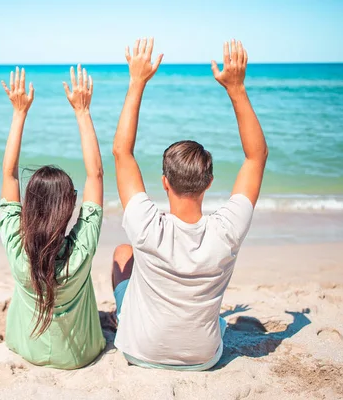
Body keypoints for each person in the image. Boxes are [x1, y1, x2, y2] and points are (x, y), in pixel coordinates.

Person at [111, 38, 268, 370]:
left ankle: (123, 317)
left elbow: (122, 152)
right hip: (204, 359)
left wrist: (137, 81)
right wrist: (236, 89)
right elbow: (256, 157)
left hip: (138, 353)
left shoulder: (146, 226)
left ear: (164, 182)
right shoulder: (226, 230)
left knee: (123, 254)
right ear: (209, 183)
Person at [0, 65, 106, 369]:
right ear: (70, 206)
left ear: (27, 206)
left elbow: (9, 173)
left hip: (25, 348)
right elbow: (95, 175)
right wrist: (82, 111)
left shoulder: (17, 249)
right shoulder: (81, 251)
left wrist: (19, 113)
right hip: (80, 357)